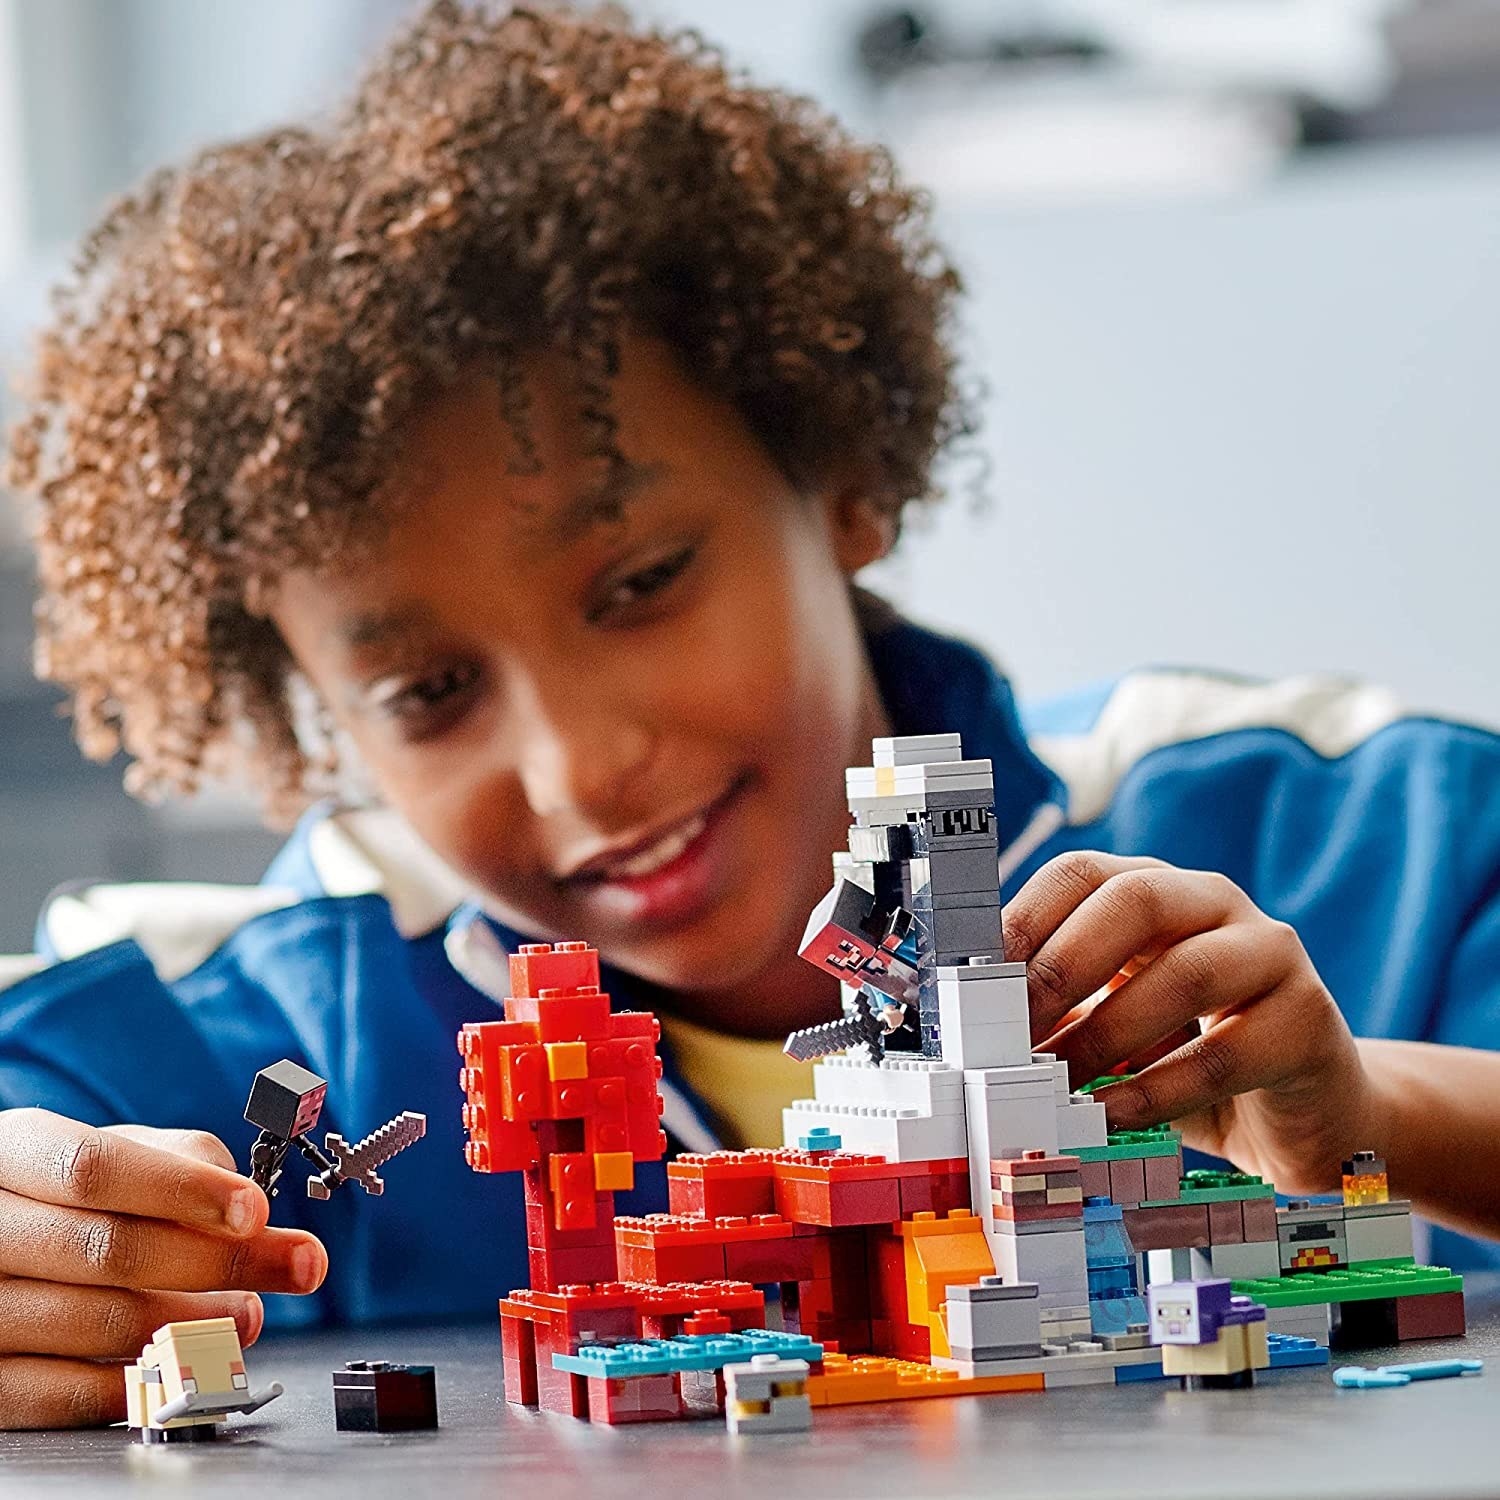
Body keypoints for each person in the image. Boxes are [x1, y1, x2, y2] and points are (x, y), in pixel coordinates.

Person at [1, 1, 1497, 1431]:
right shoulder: (296, 1014)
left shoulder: (1364, 834)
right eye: (431, 692)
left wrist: (1368, 1106)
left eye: (644, 580)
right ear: (319, 712)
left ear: (840, 477)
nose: (583, 763)